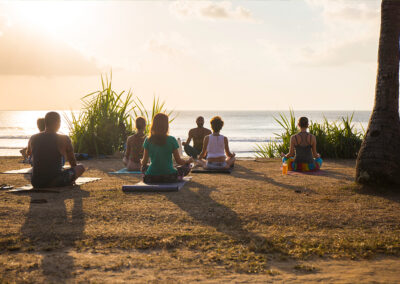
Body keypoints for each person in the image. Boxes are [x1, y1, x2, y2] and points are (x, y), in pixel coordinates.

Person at [27, 112, 85, 188]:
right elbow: (72, 162)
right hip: (54, 182)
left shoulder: (33, 138)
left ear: (45, 122)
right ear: (58, 123)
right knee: (81, 168)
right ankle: (69, 181)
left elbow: (29, 153)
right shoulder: (64, 138)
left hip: (36, 182)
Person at [141, 113, 193, 183]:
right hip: (169, 177)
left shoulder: (148, 140)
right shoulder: (172, 139)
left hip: (151, 177)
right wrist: (188, 161)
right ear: (166, 125)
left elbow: (144, 162)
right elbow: (179, 161)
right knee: (187, 166)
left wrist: (141, 161)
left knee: (144, 167)